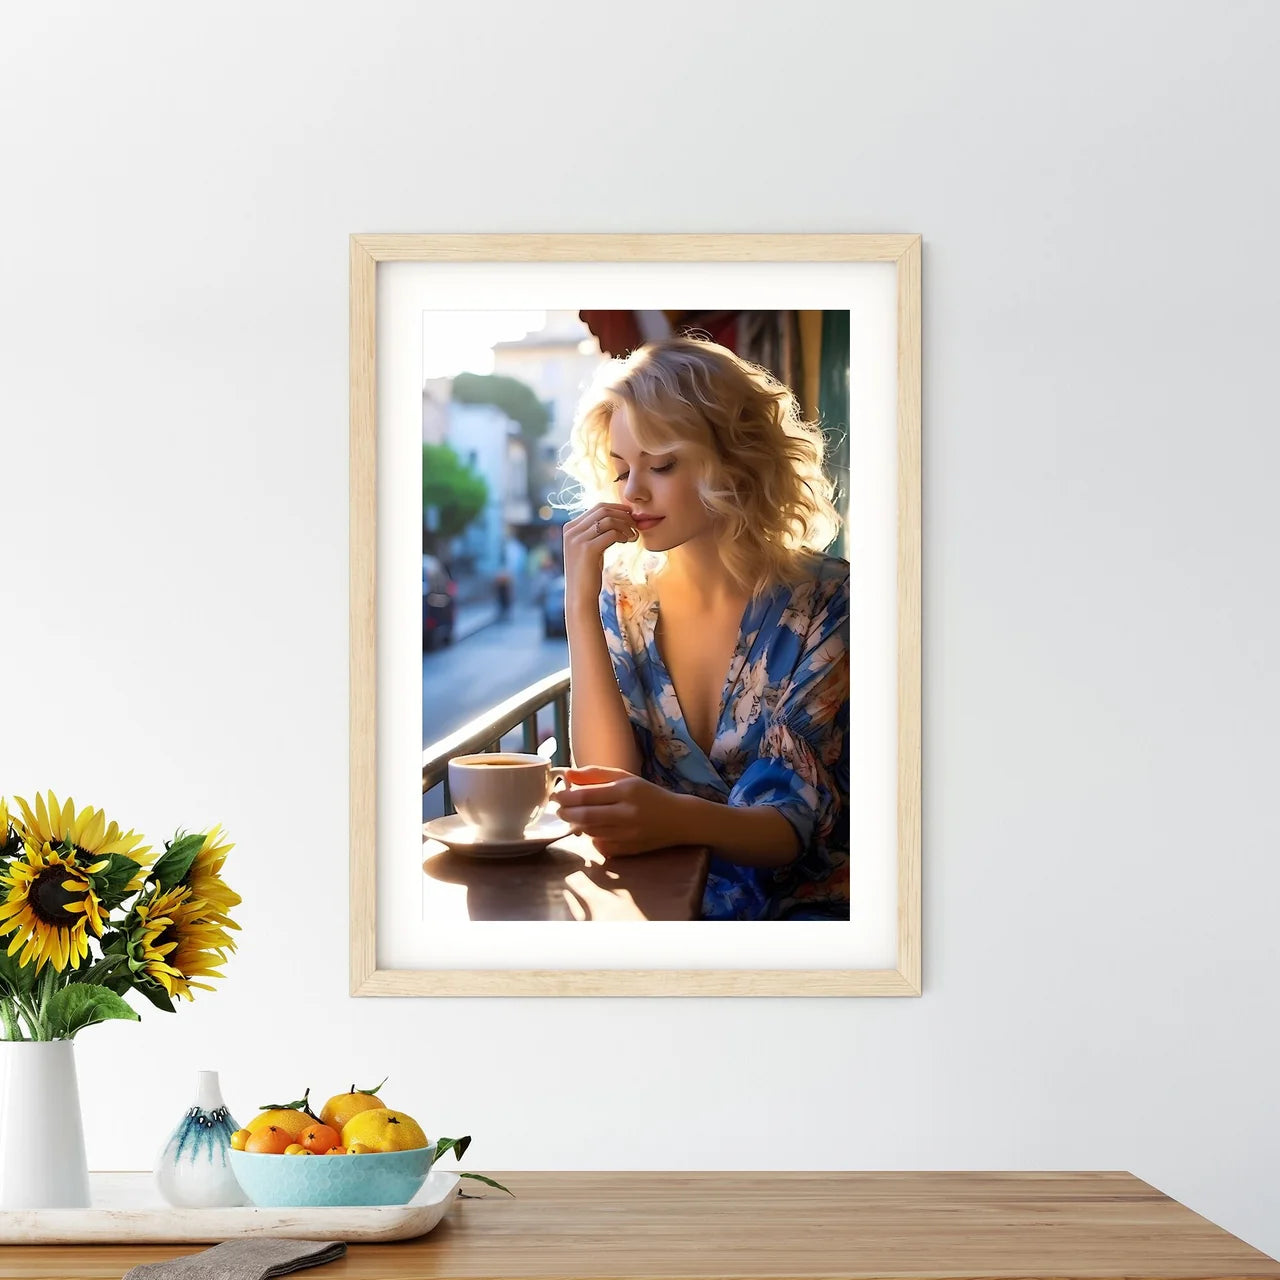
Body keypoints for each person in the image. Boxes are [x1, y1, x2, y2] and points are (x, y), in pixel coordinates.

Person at [551, 335, 849, 921]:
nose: (633, 491)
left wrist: (668, 817)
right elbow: (608, 782)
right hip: (661, 908)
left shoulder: (827, 600)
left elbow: (790, 827)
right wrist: (579, 606)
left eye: (661, 465)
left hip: (806, 925)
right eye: (620, 469)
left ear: (734, 461)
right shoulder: (623, 600)